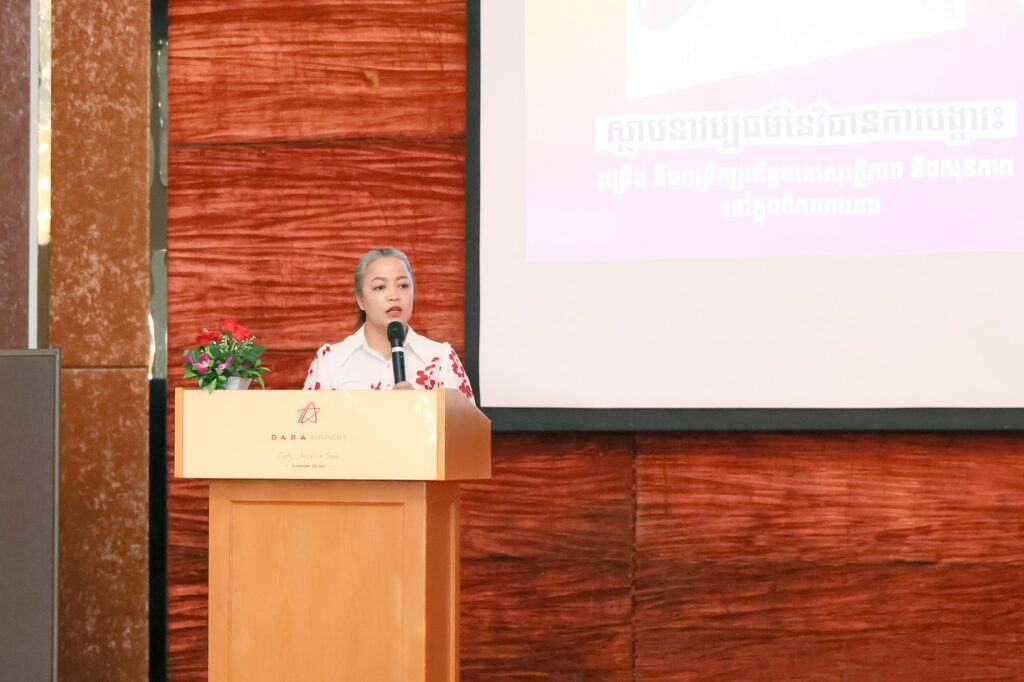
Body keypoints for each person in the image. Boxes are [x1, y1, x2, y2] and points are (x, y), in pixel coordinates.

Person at [302, 248, 474, 400]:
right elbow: (311, 424)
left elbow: (465, 426)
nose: (394, 296)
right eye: (380, 287)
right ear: (360, 299)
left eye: (403, 285)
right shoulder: (331, 361)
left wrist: (422, 409)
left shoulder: (441, 359)